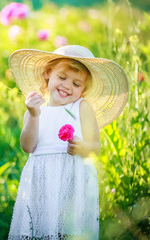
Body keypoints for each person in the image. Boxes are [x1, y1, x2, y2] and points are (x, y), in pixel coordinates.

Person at [7, 45, 129, 240]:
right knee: (41, 226)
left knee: (68, 229)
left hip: (73, 180)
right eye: (62, 77)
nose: (67, 86)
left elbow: (95, 148)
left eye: (76, 83)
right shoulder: (36, 110)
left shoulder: (82, 107)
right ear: (48, 73)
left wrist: (82, 148)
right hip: (42, 181)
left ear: (85, 88)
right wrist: (33, 114)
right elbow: (28, 146)